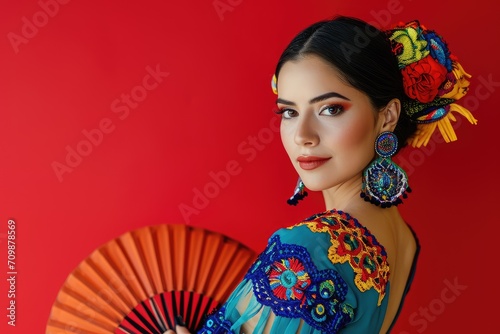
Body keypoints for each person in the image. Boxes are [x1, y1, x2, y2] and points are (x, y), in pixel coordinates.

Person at [169, 14, 476, 334]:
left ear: (387, 116)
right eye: (289, 112)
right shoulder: (404, 238)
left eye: (330, 109)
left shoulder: (313, 246)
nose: (303, 134)